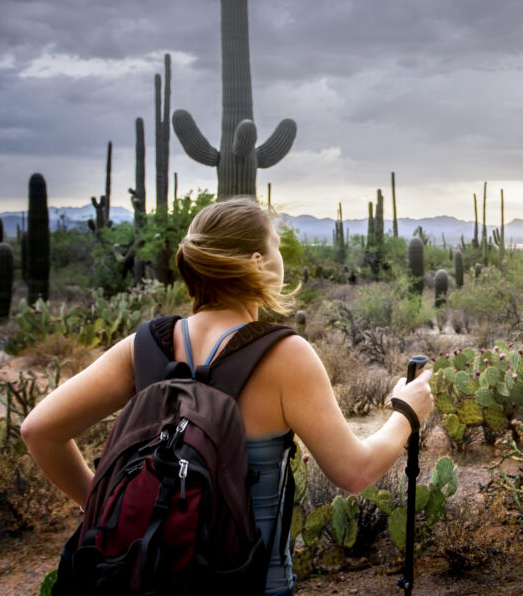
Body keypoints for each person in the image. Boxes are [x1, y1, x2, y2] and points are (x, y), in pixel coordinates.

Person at [21, 197, 435, 595]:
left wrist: (105, 506)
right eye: (276, 246)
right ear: (258, 263)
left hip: (146, 573)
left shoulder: (144, 345)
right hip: (251, 583)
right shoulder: (285, 355)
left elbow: (40, 430)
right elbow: (355, 472)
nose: (280, 257)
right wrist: (406, 412)